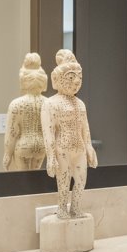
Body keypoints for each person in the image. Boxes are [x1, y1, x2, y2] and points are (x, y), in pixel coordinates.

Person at [41, 49, 99, 218]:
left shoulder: (80, 104)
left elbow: (85, 128)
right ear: (59, 79)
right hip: (63, 148)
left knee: (81, 180)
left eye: (79, 78)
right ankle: (62, 208)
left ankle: (75, 207)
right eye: (71, 78)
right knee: (64, 181)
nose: (76, 82)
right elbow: (48, 132)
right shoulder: (51, 104)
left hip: (79, 148)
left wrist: (89, 147)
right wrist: (50, 156)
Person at [2, 53, 48, 171]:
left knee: (23, 182)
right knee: (35, 181)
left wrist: (7, 154)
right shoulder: (48, 103)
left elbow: (12, 133)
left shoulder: (16, 104)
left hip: (23, 146)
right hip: (41, 146)